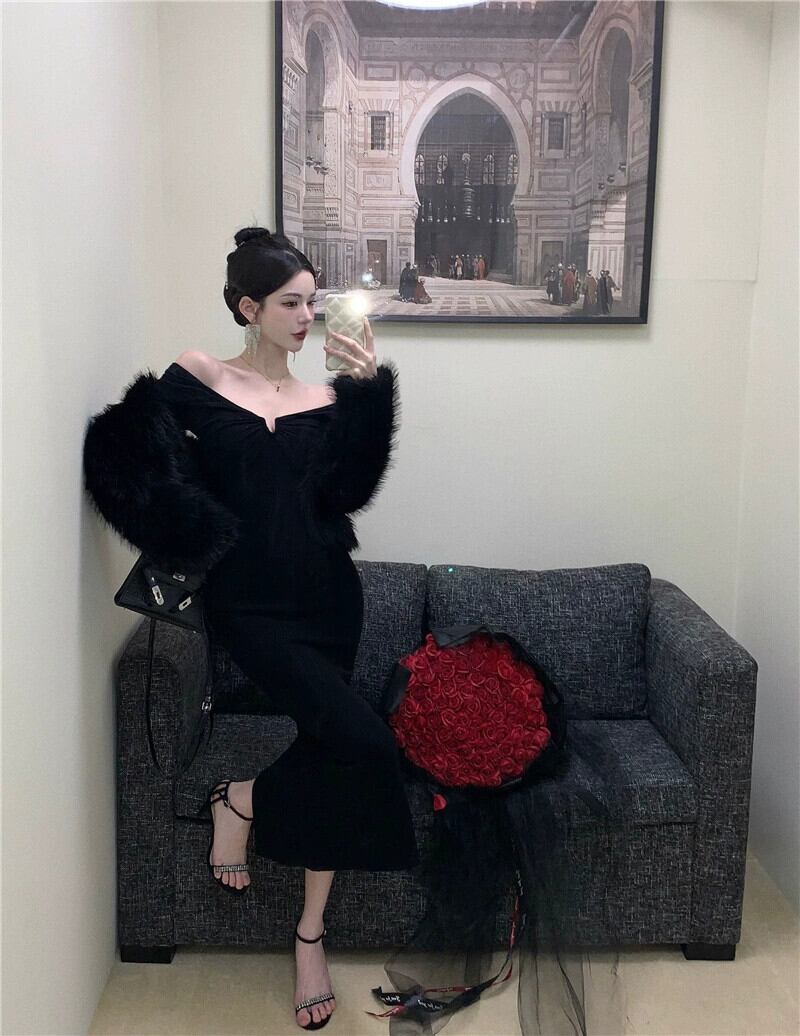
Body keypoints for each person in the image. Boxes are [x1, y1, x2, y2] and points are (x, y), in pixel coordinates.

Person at [86, 227, 419, 1032]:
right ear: (248, 307)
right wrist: (194, 531)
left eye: (313, 303)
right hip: (250, 609)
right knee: (368, 745)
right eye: (291, 304)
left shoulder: (326, 400)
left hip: (330, 598)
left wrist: (365, 394)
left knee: (332, 749)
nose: (308, 317)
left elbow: (347, 491)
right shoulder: (200, 377)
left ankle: (304, 922)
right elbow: (117, 456)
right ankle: (242, 801)